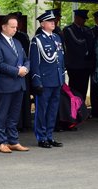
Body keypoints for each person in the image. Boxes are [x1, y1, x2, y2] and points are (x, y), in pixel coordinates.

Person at [0, 14, 30, 153]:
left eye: (16, 27)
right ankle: (2, 141)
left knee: (14, 114)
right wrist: (16, 71)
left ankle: (13, 140)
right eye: (12, 27)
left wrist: (26, 68)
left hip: (19, 83)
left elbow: (26, 59)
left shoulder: (18, 42)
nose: (15, 29)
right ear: (4, 27)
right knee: (2, 114)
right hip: (5, 84)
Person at [30, 11, 65, 148]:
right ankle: (41, 137)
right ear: (43, 24)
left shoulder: (56, 38)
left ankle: (50, 136)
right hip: (44, 81)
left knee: (53, 110)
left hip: (56, 80)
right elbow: (34, 63)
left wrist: (62, 77)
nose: (53, 23)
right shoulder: (37, 40)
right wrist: (36, 81)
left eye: (53, 21)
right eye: (50, 21)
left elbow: (61, 59)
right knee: (42, 110)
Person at [8, 11, 32, 131]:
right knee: (12, 103)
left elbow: (27, 55)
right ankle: (17, 125)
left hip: (24, 72)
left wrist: (26, 68)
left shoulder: (22, 36)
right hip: (12, 72)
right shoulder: (9, 38)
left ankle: (25, 123)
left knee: (23, 99)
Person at [63, 9, 93, 102]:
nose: (84, 21)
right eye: (82, 18)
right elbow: (77, 44)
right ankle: (74, 112)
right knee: (74, 90)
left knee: (83, 89)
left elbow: (91, 45)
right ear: (76, 18)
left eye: (85, 19)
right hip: (74, 65)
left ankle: (82, 111)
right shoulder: (69, 30)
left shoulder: (86, 29)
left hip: (86, 65)